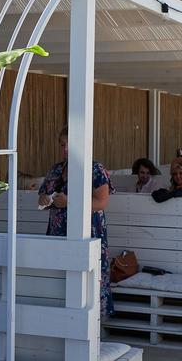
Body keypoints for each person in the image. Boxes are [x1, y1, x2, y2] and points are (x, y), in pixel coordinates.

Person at [39, 127, 114, 316]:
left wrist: (69, 202)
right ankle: (64, 318)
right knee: (60, 276)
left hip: (87, 232)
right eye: (62, 145)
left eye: (69, 144)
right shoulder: (56, 169)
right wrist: (44, 199)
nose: (65, 149)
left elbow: (101, 202)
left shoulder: (94, 168)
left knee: (88, 278)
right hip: (58, 232)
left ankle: (94, 322)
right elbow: (43, 193)